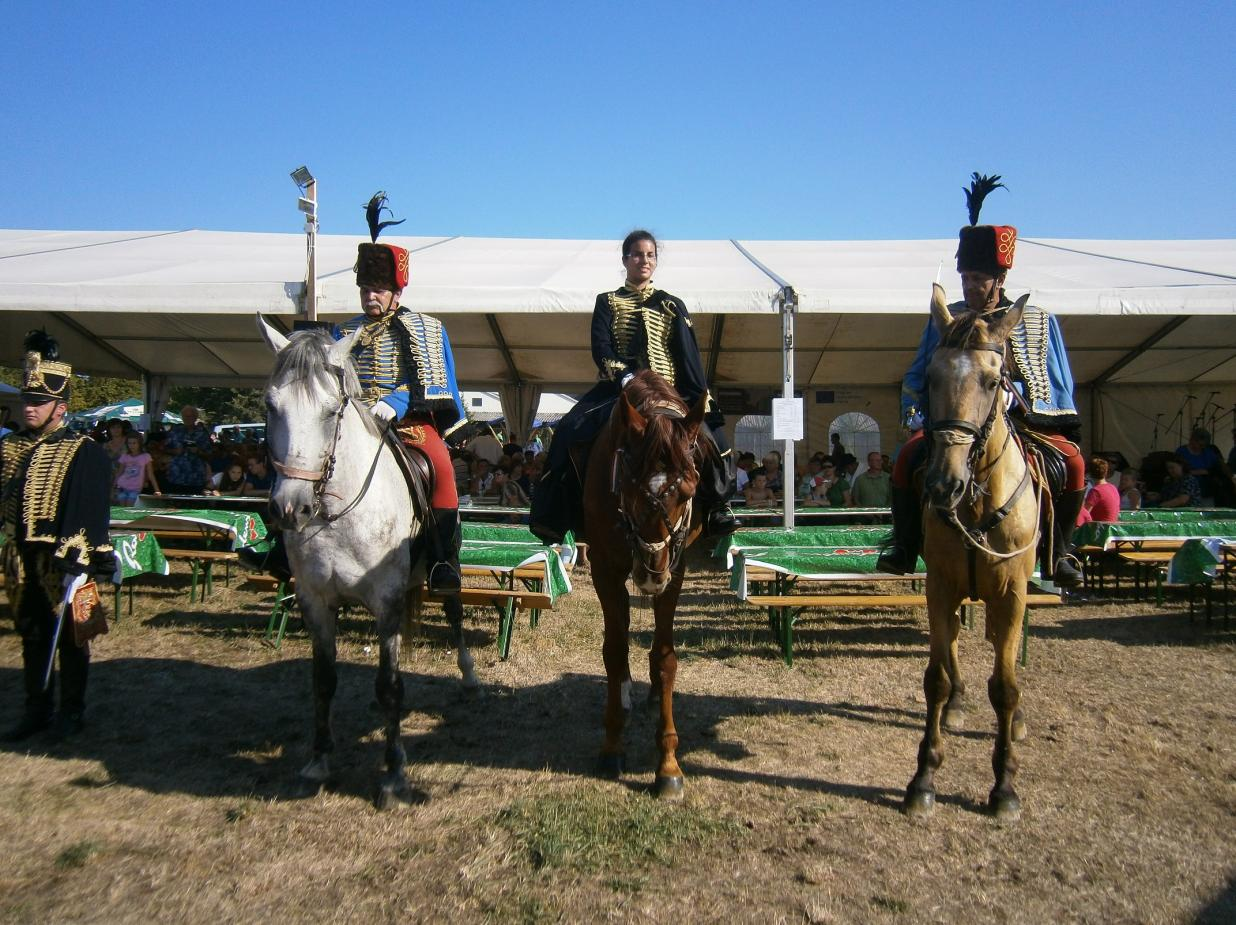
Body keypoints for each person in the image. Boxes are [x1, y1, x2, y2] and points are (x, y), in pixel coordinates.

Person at [879, 174, 1087, 587]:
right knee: (906, 459)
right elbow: (919, 373)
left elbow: (1052, 381)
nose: (971, 286)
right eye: (966, 278)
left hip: (1020, 423)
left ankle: (1059, 552)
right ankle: (903, 545)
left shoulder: (1035, 320)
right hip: (953, 422)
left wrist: (1019, 398)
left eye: (979, 279)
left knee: (1076, 463)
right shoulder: (946, 318)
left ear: (1000, 279)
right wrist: (917, 412)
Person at [530, 229, 736, 543]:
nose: (644, 260)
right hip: (619, 388)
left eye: (650, 255)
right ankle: (556, 511)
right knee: (570, 427)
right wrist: (624, 376)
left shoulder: (672, 304)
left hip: (668, 390)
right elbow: (601, 346)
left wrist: (698, 395)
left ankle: (718, 508)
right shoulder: (607, 301)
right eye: (638, 254)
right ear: (626, 259)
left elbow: (687, 354)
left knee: (713, 437)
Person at [332, 192, 466, 592]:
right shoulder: (342, 332)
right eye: (365, 289)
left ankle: (444, 559)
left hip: (407, 423)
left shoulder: (424, 328)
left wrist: (394, 402)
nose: (370, 296)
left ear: (396, 292)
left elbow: (433, 380)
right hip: (351, 421)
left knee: (441, 470)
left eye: (378, 288)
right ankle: (282, 547)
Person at [1, 332, 115, 741]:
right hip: (21, 559)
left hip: (69, 562)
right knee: (31, 633)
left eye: (37, 402)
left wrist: (81, 560)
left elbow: (89, 508)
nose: (28, 408)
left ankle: (72, 711)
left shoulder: (83, 450)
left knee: (74, 636)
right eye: (26, 401)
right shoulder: (11, 447)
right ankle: (37, 707)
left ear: (60, 408)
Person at [114, 433, 161, 504]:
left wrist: (157, 490)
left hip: (135, 487)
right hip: (122, 486)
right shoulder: (125, 456)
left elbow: (151, 474)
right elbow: (120, 472)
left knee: (130, 503)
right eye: (129, 443)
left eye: (134, 443)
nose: (131, 445)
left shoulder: (146, 456)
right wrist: (113, 486)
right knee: (122, 504)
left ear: (140, 444)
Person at [1077, 457, 1120, 525]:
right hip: (1111, 530)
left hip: (1099, 530)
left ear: (1090, 473)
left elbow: (1084, 515)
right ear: (1106, 472)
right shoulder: (1113, 488)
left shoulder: (1096, 491)